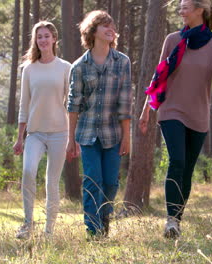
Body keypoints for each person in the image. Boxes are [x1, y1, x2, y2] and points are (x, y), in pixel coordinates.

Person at [139, 0, 212, 239]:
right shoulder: (172, 40)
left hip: (198, 114)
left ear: (200, 10)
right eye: (179, 6)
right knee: (176, 161)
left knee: (187, 170)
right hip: (171, 111)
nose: (181, 11)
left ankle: (177, 220)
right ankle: (170, 220)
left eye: (185, 6)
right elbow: (158, 76)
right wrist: (146, 109)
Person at [66, 10, 132, 238]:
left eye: (111, 25)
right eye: (104, 25)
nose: (110, 28)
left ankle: (104, 221)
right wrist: (70, 139)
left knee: (111, 183)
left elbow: (125, 102)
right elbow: (73, 105)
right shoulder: (79, 66)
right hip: (87, 134)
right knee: (93, 180)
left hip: (113, 134)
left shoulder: (122, 62)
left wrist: (127, 136)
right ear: (92, 32)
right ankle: (93, 230)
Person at [13, 21, 71, 239]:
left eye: (47, 36)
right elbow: (24, 105)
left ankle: (49, 230)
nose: (43, 40)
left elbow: (71, 104)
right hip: (35, 132)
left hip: (59, 133)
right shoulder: (28, 69)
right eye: (39, 37)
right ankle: (28, 224)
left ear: (54, 39)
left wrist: (72, 137)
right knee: (28, 172)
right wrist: (20, 137)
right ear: (35, 41)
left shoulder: (66, 67)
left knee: (52, 182)